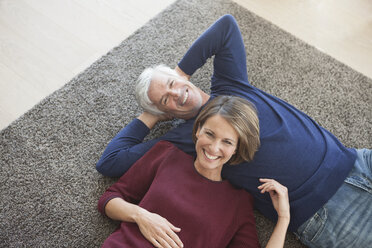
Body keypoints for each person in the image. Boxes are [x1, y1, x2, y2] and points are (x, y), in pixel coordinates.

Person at [96, 15, 372, 247]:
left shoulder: (230, 82)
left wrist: (181, 73)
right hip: (327, 211)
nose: (176, 93)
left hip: (356, 160)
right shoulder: (190, 141)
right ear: (166, 113)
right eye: (165, 99)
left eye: (171, 83)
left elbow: (226, 27)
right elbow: (110, 162)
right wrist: (151, 115)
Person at [98, 96, 290, 248]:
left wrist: (283, 218)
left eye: (227, 142)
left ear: (237, 149)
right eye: (210, 134)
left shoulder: (238, 203)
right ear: (198, 130)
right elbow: (109, 199)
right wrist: (141, 216)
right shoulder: (166, 154)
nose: (214, 148)